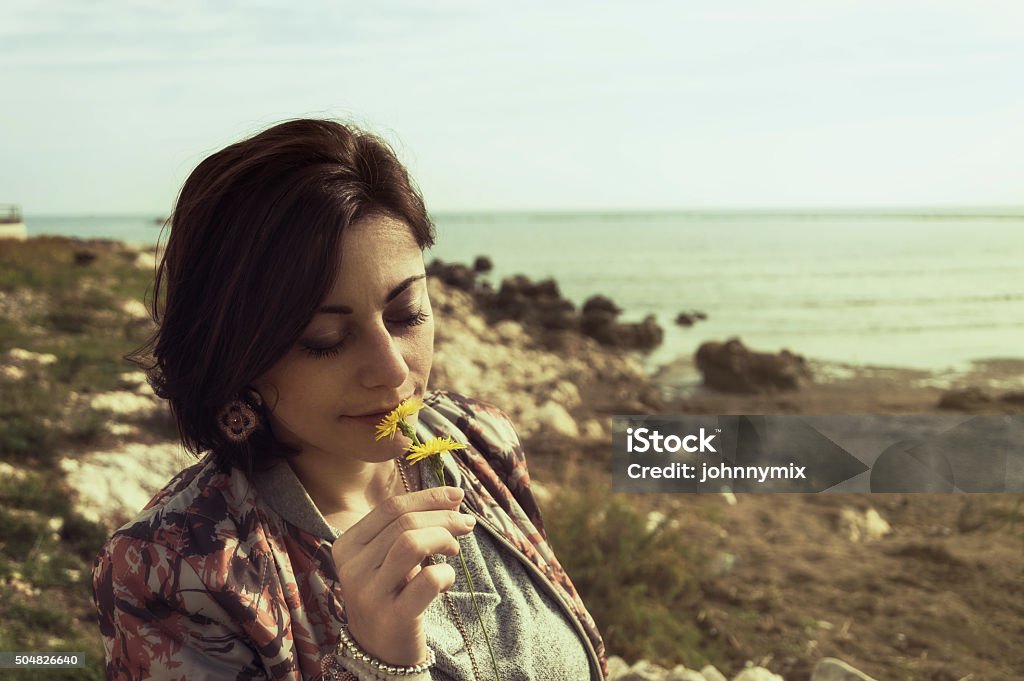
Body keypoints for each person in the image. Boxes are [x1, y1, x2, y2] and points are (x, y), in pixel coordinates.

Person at [91, 119, 608, 681]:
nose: (392, 371)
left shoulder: (478, 440)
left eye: (406, 314)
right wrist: (379, 659)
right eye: (325, 342)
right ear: (238, 354)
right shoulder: (175, 569)